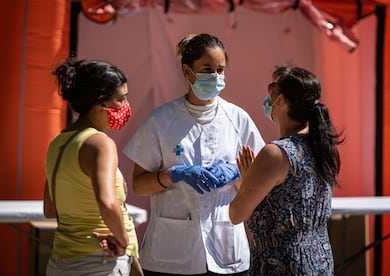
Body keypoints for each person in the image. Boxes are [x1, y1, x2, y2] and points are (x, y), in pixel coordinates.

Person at [123, 33, 265, 275]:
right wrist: (173, 174)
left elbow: (259, 184)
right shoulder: (162, 120)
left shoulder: (238, 119)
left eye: (220, 70)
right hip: (170, 253)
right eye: (207, 69)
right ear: (187, 71)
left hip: (226, 249)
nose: (216, 76)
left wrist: (236, 173)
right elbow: (139, 185)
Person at [230, 64, 343, 275]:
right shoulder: (323, 147)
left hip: (282, 264)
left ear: (280, 101)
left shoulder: (276, 153)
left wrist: (246, 181)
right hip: (319, 260)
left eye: (272, 92)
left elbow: (237, 214)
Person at [43, 58, 138, 275]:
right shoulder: (100, 143)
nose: (124, 107)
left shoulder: (58, 143)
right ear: (100, 101)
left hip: (62, 260)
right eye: (120, 99)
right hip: (101, 262)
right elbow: (107, 202)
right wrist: (122, 242)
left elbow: (50, 209)